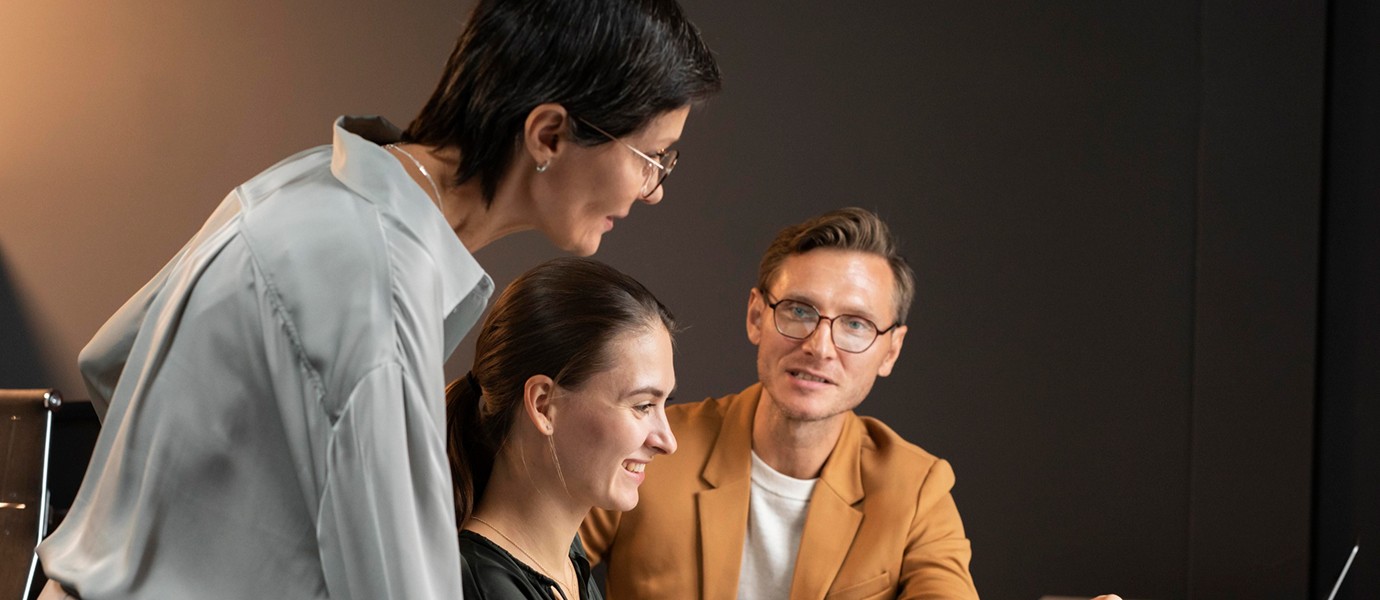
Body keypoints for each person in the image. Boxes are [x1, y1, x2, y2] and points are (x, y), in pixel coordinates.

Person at [37, 0, 720, 597]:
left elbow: (112, 361)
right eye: (651, 157)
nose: (654, 190)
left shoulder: (300, 184)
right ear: (549, 134)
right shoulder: (380, 289)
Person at [581, 207, 978, 599]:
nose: (819, 347)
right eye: (799, 311)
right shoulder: (651, 447)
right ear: (756, 316)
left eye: (856, 324)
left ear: (891, 350)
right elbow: (542, 557)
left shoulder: (917, 490)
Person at [448, 257, 678, 600]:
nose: (667, 442)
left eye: (663, 404)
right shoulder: (481, 587)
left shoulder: (568, 561)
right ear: (544, 405)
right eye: (643, 405)